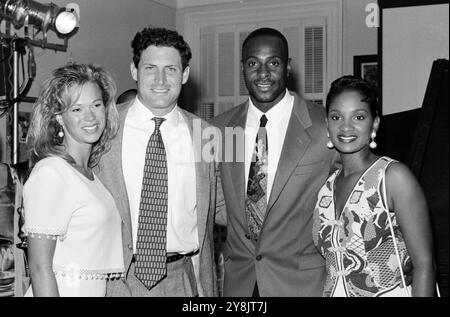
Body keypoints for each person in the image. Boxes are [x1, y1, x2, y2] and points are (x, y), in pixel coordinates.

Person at [211, 27, 337, 296]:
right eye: (254, 63)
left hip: (302, 284)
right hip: (241, 284)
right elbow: (221, 204)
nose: (263, 73)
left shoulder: (324, 126)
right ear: (243, 68)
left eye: (274, 63)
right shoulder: (222, 129)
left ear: (288, 67)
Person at [96, 26, 220, 297]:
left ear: (185, 74)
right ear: (134, 70)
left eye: (171, 69)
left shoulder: (207, 135)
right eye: (150, 68)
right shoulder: (103, 129)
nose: (161, 79)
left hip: (185, 280)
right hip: (117, 281)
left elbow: (223, 207)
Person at [312, 75, 436, 297]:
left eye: (358, 117)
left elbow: (425, 265)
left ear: (374, 123)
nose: (346, 127)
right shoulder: (326, 189)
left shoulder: (392, 176)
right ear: (327, 124)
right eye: (336, 117)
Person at [23, 62, 123, 297]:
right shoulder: (51, 173)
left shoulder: (90, 176)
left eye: (96, 105)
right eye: (76, 109)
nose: (90, 116)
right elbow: (39, 269)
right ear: (58, 117)